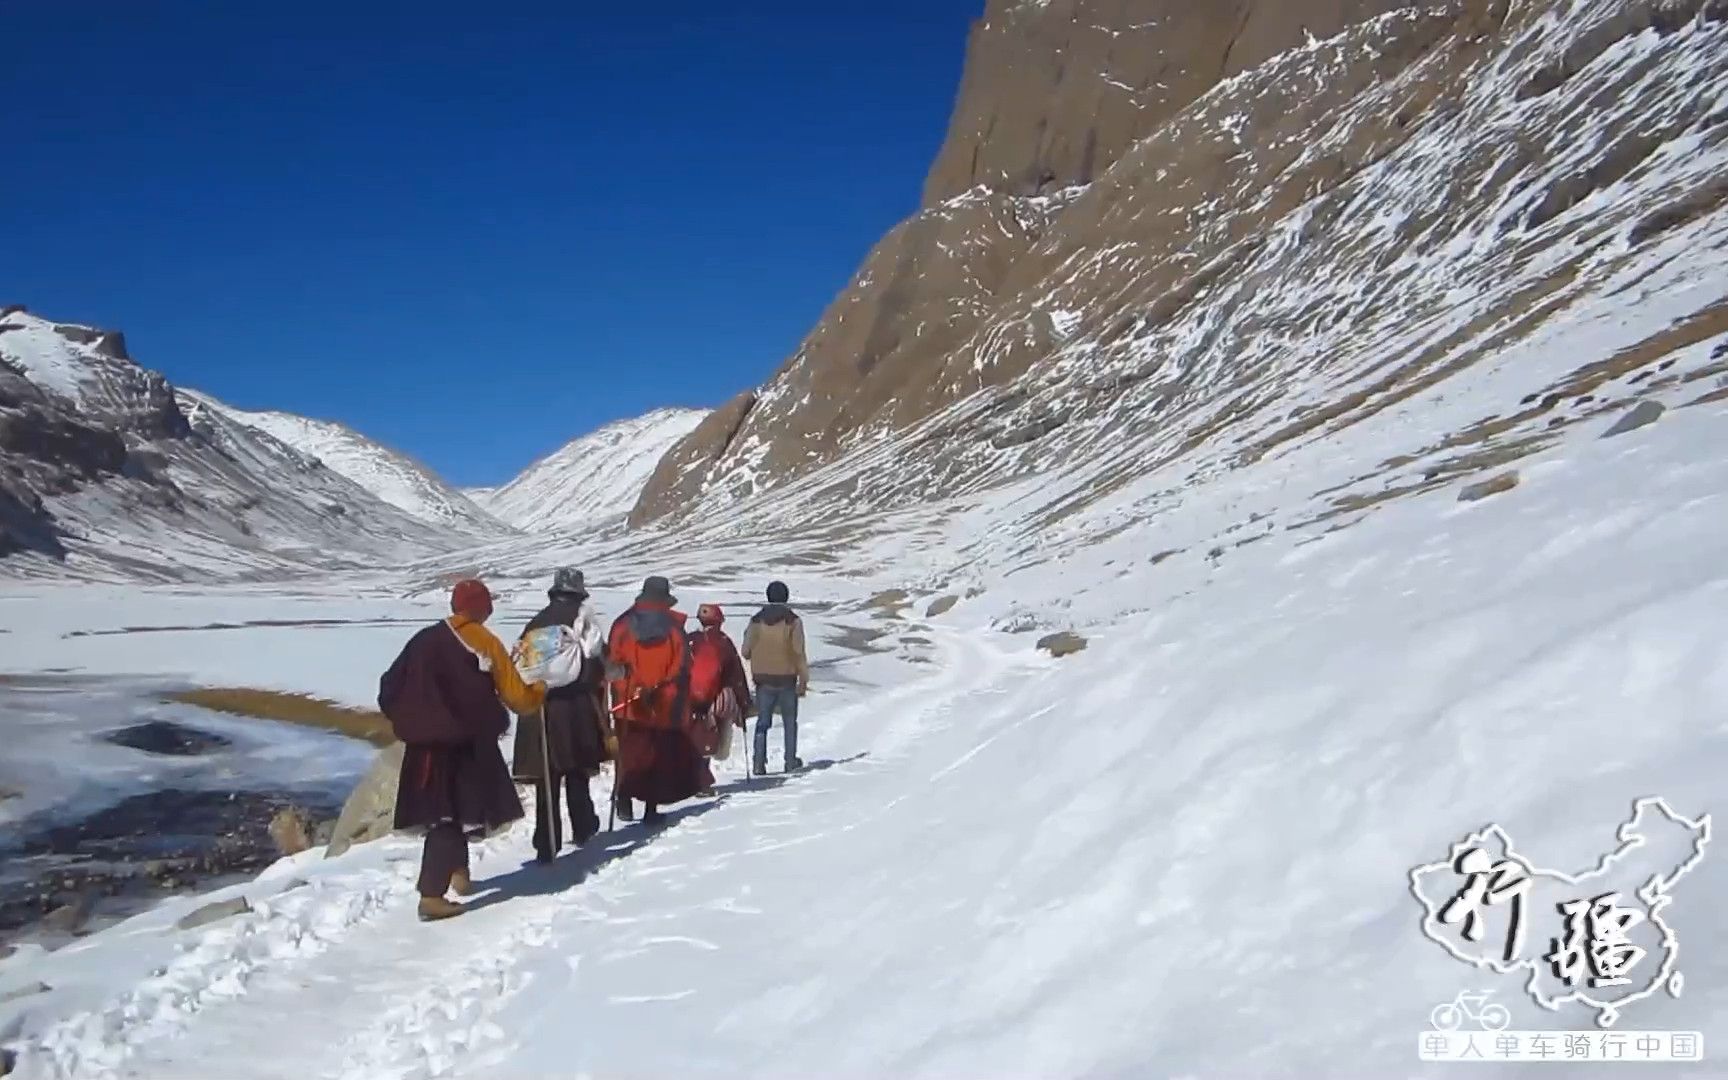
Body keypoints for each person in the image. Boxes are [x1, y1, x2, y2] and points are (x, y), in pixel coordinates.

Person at [378, 579, 546, 922]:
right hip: (465, 746)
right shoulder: (485, 643)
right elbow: (516, 697)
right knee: (451, 815)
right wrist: (539, 692)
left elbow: (388, 687)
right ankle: (431, 895)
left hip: (424, 748)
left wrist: (414, 721)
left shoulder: (423, 639)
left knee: (450, 811)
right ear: (483, 607)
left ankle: (458, 871)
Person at [512, 567, 614, 864]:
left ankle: (546, 842)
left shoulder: (536, 623)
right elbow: (597, 662)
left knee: (547, 777)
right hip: (573, 708)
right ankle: (583, 827)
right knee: (577, 770)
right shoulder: (582, 621)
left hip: (538, 707)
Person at [607, 576, 705, 826]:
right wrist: (661, 689)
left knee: (628, 753)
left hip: (627, 701)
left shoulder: (622, 625)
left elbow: (611, 665)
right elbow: (682, 667)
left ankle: (623, 800)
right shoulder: (674, 629)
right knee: (655, 756)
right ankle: (650, 809)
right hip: (662, 704)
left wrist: (629, 688)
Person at [742, 580, 809, 775]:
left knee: (763, 722)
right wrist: (803, 679)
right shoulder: (793, 621)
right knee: (789, 721)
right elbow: (798, 652)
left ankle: (758, 763)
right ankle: (790, 761)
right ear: (786, 597)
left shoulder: (756, 621)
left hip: (763, 679)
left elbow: (745, 651)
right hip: (787, 677)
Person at [688, 603, 753, 793]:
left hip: (689, 698)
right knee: (709, 736)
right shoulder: (723, 642)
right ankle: (702, 781)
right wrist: (744, 703)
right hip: (716, 698)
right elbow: (736, 676)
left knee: (694, 736)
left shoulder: (690, 640)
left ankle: (692, 780)